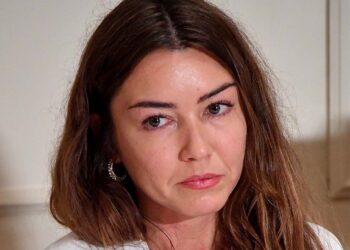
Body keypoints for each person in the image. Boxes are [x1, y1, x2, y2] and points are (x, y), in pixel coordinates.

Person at [46, 0, 343, 249]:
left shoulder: (312, 244)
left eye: (216, 108)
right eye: (157, 120)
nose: (197, 149)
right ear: (107, 139)